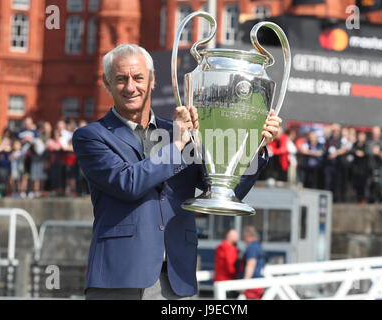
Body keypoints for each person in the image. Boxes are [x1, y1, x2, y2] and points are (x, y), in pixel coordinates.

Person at [72, 44, 281, 300]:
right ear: (106, 83)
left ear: (151, 81)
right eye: (120, 79)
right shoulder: (92, 136)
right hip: (120, 277)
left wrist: (256, 147)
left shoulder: (178, 131)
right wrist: (178, 145)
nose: (130, 87)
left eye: (138, 77)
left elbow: (222, 190)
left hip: (178, 279)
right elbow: (128, 184)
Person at [238, 226, 266, 300]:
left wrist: (244, 286)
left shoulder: (251, 247)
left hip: (252, 285)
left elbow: (250, 266)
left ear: (246, 236)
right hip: (257, 283)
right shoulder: (257, 246)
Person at [214, 228, 239, 299]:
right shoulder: (230, 248)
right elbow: (230, 268)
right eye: (235, 236)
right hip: (228, 283)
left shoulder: (219, 247)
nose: (237, 238)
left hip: (219, 281)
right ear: (229, 237)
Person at [351, 131, 369, 204]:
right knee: (356, 185)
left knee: (363, 185)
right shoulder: (355, 144)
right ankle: (357, 199)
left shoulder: (366, 145)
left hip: (364, 169)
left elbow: (367, 153)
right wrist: (356, 152)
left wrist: (362, 153)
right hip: (356, 168)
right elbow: (352, 151)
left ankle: (362, 199)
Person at [367, 126, 382, 203]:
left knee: (378, 183)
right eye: (374, 133)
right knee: (370, 183)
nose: (375, 135)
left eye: (376, 133)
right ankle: (370, 199)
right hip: (369, 166)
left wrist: (379, 152)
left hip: (379, 166)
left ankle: (379, 199)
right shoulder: (369, 142)